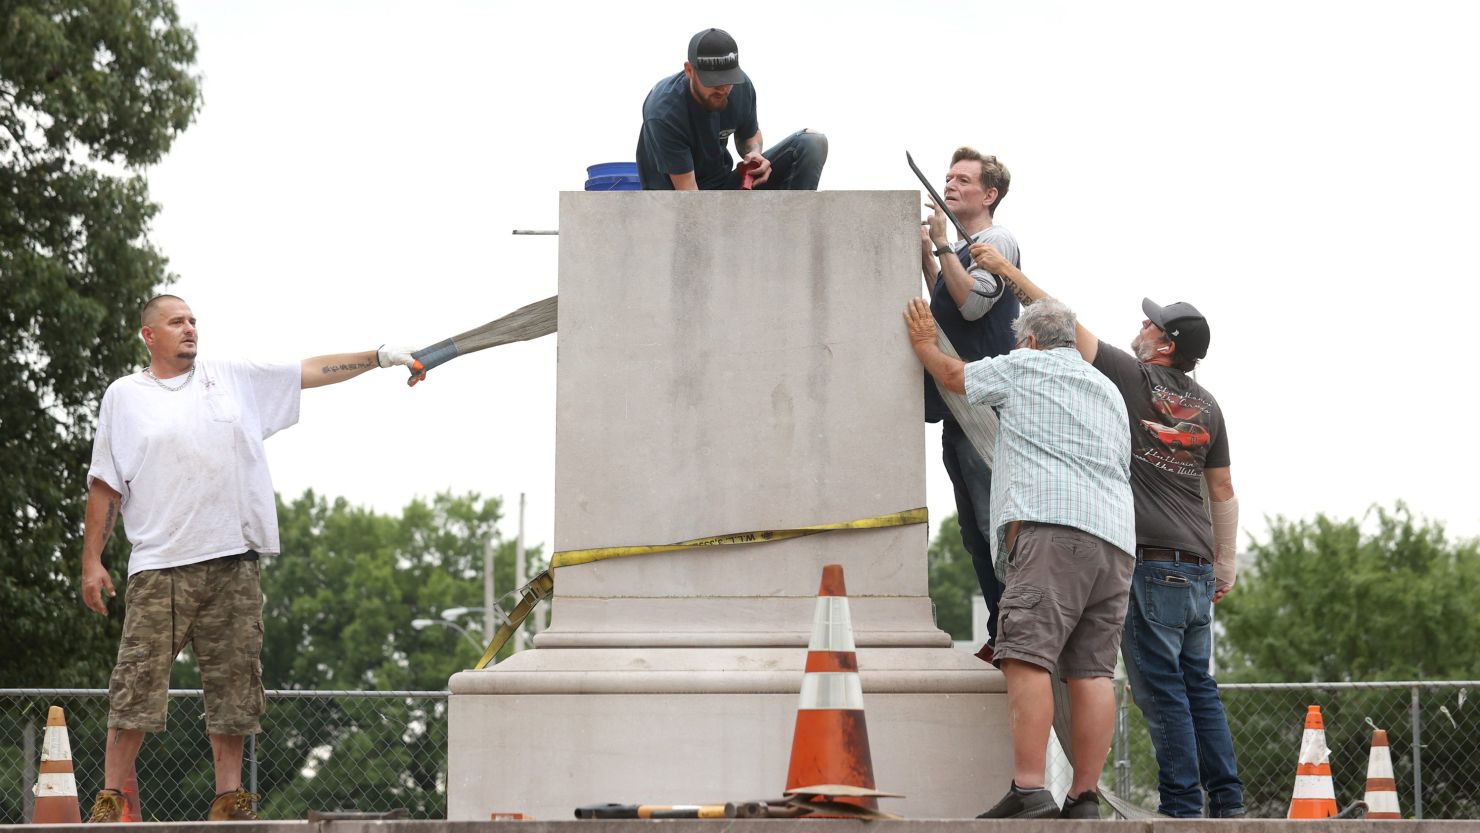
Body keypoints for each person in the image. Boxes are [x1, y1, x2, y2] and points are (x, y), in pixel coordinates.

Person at [79, 295, 415, 822]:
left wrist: (378, 356)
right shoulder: (125, 397)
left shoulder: (230, 377)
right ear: (149, 336)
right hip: (160, 564)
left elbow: (307, 370)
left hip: (233, 559)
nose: (190, 328)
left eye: (193, 320)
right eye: (176, 322)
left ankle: (228, 800)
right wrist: (91, 562)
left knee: (236, 687)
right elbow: (104, 485)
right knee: (136, 684)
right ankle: (110, 797)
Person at [971, 243, 1245, 818]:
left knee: (1159, 690)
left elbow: (1061, 324)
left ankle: (1182, 812)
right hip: (1197, 563)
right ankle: (1228, 801)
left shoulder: (1131, 376)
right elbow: (1221, 491)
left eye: (1151, 323)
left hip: (1145, 558)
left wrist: (1002, 270)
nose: (1141, 326)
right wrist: (1224, 565)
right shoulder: (1210, 408)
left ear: (1164, 345)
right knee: (1200, 686)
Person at [904, 296, 1135, 820]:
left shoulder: (1024, 365)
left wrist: (924, 343)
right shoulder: (1108, 390)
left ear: (1029, 339)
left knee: (1026, 654)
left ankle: (1030, 790)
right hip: (1117, 541)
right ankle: (1084, 798)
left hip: (1053, 531)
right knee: (1093, 671)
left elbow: (955, 376)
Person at [918, 148, 1021, 656]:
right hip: (963, 407)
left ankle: (1013, 634)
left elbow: (974, 303)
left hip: (987, 412)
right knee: (974, 533)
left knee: (992, 524)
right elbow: (951, 302)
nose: (951, 185)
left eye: (963, 179)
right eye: (948, 178)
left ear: (990, 194)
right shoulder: (963, 247)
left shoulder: (996, 240)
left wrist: (940, 246)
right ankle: (1000, 634)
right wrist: (929, 254)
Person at [635, 27, 827, 191]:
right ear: (689, 71)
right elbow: (689, 198)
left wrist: (754, 155)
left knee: (811, 143)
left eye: (728, 80)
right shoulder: (664, 113)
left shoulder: (741, 88)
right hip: (674, 204)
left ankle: (796, 229)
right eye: (714, 81)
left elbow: (749, 135)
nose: (723, 89)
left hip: (723, 189)